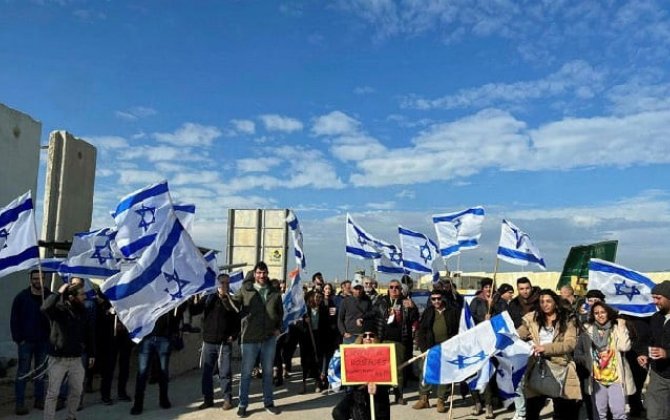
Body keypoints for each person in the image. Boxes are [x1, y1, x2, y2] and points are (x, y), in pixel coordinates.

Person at [517, 289, 581, 420]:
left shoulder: (568, 319)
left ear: (555, 303)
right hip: (536, 367)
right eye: (541, 302)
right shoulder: (532, 318)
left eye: (548, 301)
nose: (544, 304)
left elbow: (570, 344)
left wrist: (545, 348)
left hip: (560, 367)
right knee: (532, 410)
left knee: (563, 411)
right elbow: (517, 334)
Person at [233, 261, 283, 418]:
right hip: (249, 338)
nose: (262, 275)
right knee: (246, 373)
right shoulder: (245, 290)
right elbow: (233, 305)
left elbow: (280, 313)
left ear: (267, 274)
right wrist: (224, 296)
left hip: (269, 338)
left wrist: (278, 328)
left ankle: (269, 402)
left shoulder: (274, 291)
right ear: (254, 274)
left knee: (268, 373)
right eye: (259, 272)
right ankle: (243, 404)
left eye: (264, 272)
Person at [42, 281, 95, 420]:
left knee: (77, 391)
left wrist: (91, 353)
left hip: (76, 359)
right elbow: (44, 307)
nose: (84, 297)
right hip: (58, 359)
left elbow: (88, 333)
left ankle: (71, 416)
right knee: (53, 393)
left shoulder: (83, 311)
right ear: (72, 297)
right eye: (82, 294)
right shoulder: (58, 310)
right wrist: (58, 292)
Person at [574, 302, 635, 420]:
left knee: (619, 413)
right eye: (596, 313)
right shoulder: (587, 330)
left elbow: (625, 347)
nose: (600, 315)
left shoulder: (616, 329)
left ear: (608, 313)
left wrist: (622, 327)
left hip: (616, 378)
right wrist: (587, 360)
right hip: (596, 379)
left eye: (602, 312)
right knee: (599, 414)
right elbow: (578, 353)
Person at [190, 273, 241, 411]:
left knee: (225, 372)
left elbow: (238, 320)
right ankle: (208, 399)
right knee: (207, 373)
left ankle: (227, 399)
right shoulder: (209, 298)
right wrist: (188, 297)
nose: (224, 285)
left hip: (224, 343)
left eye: (227, 283)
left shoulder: (232, 300)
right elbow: (194, 311)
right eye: (222, 282)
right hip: (209, 342)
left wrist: (234, 335)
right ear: (217, 284)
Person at [11, 270, 52, 415]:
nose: (38, 281)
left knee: (41, 372)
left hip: (43, 341)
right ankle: (20, 403)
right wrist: (19, 339)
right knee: (22, 373)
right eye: (35, 279)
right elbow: (14, 320)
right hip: (26, 342)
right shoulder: (21, 298)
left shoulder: (49, 296)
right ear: (30, 280)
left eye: (40, 278)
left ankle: (39, 400)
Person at [331, 320, 391, 420]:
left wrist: (377, 384)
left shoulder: (383, 352)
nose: (367, 338)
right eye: (365, 335)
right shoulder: (353, 352)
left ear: (375, 337)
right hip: (358, 393)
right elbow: (349, 375)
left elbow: (389, 377)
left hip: (378, 394)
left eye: (371, 335)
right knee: (338, 412)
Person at [130, 306, 184, 415]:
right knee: (142, 373)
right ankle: (138, 404)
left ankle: (164, 400)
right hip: (147, 338)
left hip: (163, 338)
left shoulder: (168, 297)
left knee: (163, 372)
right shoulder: (147, 295)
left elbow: (180, 311)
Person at [373, 279, 419, 405]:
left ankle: (399, 395)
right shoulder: (381, 302)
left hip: (399, 340)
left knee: (398, 370)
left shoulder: (406, 302)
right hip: (383, 339)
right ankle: (383, 396)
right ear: (388, 289)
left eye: (397, 287)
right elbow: (372, 315)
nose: (394, 289)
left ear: (400, 289)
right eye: (391, 287)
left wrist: (413, 308)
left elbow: (415, 318)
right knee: (384, 370)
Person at [413, 289, 459, 413]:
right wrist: (423, 349)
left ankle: (441, 400)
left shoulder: (453, 311)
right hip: (431, 347)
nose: (436, 301)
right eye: (433, 299)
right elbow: (421, 331)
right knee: (425, 370)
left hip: (447, 347)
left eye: (439, 298)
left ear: (443, 298)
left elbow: (459, 329)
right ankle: (424, 398)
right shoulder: (428, 312)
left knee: (445, 373)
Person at [508, 277, 540, 420]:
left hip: (537, 344)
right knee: (517, 379)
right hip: (518, 345)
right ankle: (520, 412)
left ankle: (534, 411)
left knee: (536, 381)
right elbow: (509, 323)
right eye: (521, 289)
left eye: (527, 288)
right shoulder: (513, 304)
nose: (525, 291)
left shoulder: (541, 301)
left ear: (531, 287)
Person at [637, 280, 670, 420]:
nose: (655, 301)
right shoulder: (656, 318)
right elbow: (649, 339)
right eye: (653, 297)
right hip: (659, 374)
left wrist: (667, 353)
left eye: (658, 298)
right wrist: (644, 354)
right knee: (654, 414)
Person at [96, 292, 133, 405]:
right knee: (108, 368)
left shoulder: (128, 296)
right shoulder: (105, 297)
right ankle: (105, 395)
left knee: (124, 366)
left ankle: (122, 392)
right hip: (110, 340)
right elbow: (100, 319)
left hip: (125, 338)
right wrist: (110, 316)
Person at [299, 290, 330, 393]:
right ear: (311, 297)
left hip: (319, 337)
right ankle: (303, 384)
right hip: (306, 337)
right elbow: (297, 324)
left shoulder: (324, 309)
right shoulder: (305, 310)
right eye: (316, 296)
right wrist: (304, 322)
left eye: (320, 297)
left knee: (318, 359)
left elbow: (326, 324)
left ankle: (318, 382)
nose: (318, 299)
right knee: (305, 360)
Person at [338, 279, 372, 344]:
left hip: (363, 336)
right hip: (349, 336)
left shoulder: (367, 300)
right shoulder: (345, 301)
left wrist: (363, 318)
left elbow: (371, 314)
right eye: (356, 288)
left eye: (360, 288)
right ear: (351, 289)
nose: (358, 291)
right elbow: (340, 318)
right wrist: (344, 333)